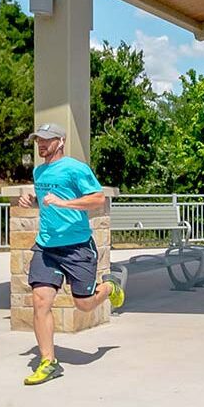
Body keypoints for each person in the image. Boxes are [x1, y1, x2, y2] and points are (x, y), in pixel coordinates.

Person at [18, 122, 125, 386]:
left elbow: (98, 199)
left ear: (61, 141)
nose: (41, 144)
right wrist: (29, 199)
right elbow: (45, 200)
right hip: (46, 246)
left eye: (47, 139)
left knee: (84, 303)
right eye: (38, 140)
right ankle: (48, 362)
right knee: (40, 301)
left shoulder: (76, 168)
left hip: (77, 247)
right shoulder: (39, 171)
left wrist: (65, 203)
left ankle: (110, 286)